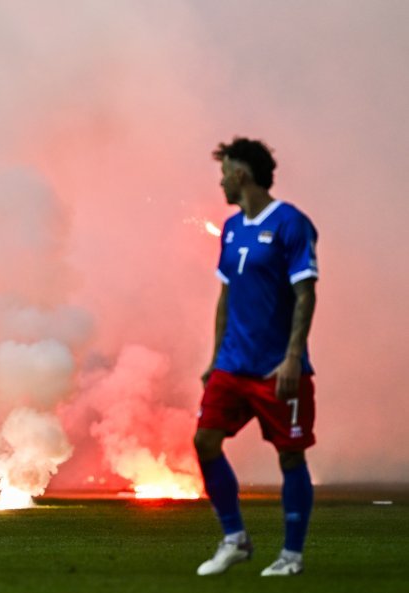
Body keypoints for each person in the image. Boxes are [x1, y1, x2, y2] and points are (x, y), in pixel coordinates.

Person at [195, 138, 318, 576]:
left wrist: (292, 358)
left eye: (224, 172)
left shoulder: (291, 224)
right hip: (232, 365)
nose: (222, 181)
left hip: (275, 368)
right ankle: (235, 538)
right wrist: (215, 359)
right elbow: (226, 296)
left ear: (241, 174)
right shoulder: (230, 228)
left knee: (290, 456)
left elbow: (305, 294)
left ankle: (291, 556)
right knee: (204, 441)